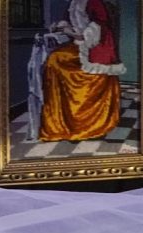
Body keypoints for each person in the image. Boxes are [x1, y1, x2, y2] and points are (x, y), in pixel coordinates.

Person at [39, 0, 127, 142]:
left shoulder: (95, 2)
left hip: (95, 46)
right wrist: (61, 26)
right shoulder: (74, 3)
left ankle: (84, 122)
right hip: (79, 44)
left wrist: (74, 33)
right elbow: (71, 23)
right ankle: (61, 120)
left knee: (57, 59)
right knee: (55, 59)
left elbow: (98, 27)